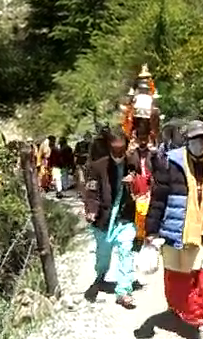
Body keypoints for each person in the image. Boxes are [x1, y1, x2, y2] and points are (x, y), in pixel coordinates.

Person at [145, 120, 203, 339]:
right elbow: (158, 199)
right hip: (176, 230)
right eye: (195, 139)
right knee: (178, 278)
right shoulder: (170, 163)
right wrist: (151, 230)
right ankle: (187, 312)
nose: (199, 144)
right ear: (187, 140)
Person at [83, 127, 140, 309]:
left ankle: (124, 290)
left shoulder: (133, 162)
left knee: (126, 251)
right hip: (104, 221)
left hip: (125, 217)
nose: (118, 153)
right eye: (114, 149)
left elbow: (145, 182)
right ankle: (100, 276)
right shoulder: (97, 166)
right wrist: (91, 210)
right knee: (103, 255)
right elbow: (91, 193)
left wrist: (134, 181)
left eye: (121, 149)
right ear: (108, 147)